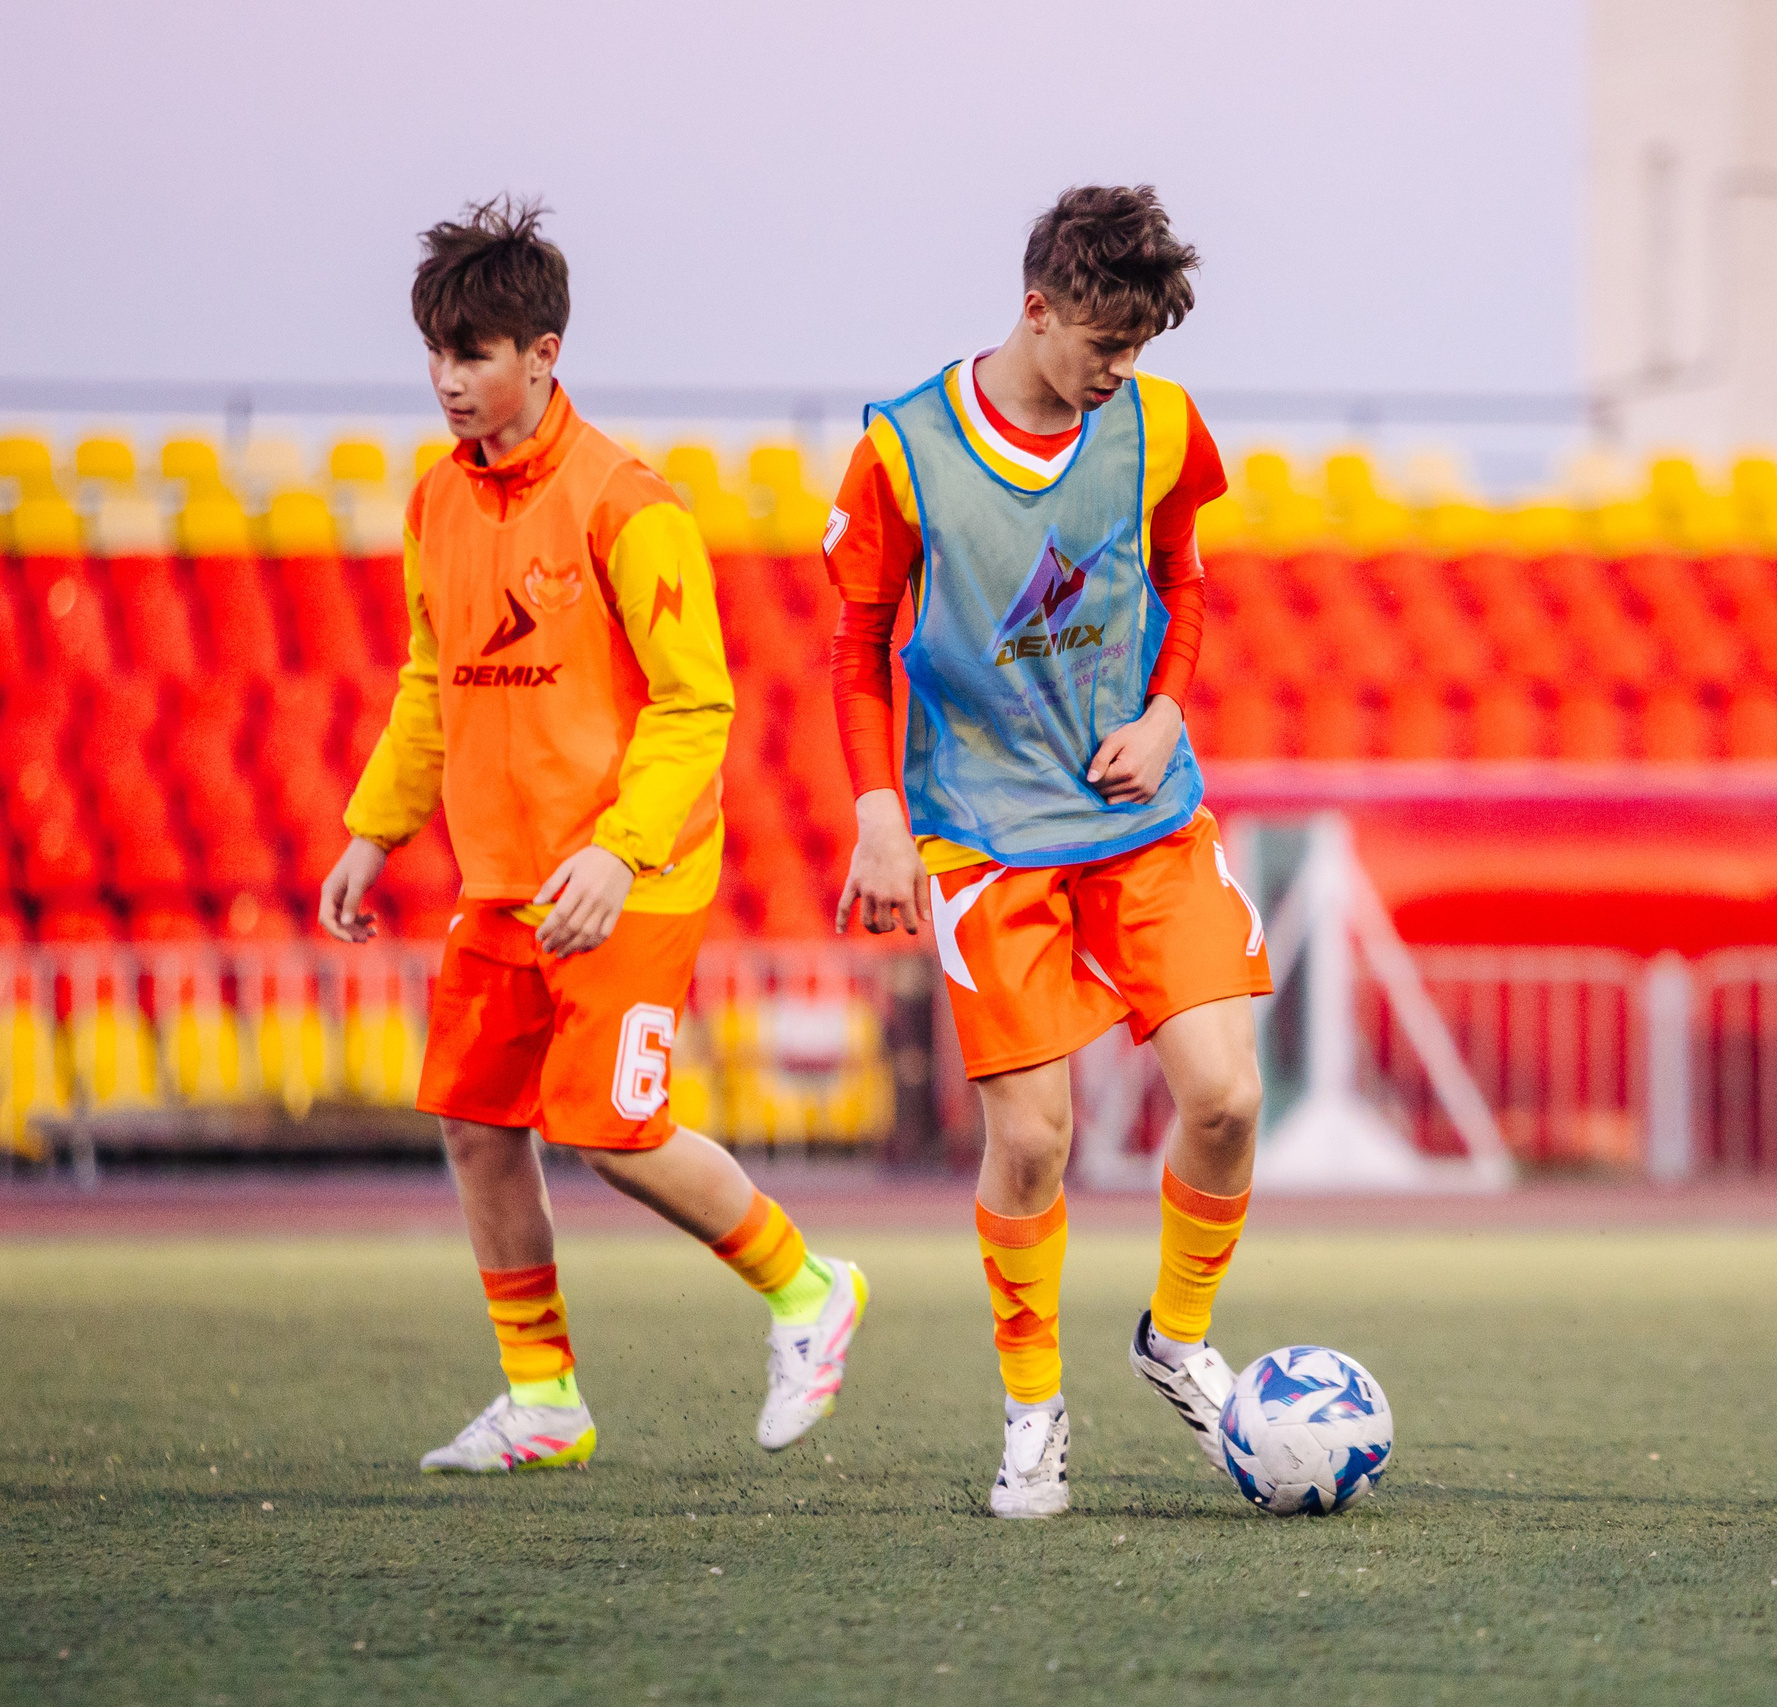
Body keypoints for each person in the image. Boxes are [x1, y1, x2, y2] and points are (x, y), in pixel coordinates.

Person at [319, 198, 867, 1475]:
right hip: (502, 883)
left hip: (634, 876)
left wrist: (619, 850)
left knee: (611, 1133)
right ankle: (544, 1398)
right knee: (472, 1120)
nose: (452, 382)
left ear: (544, 353)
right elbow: (426, 683)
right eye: (439, 355)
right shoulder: (431, 508)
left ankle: (808, 1288)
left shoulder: (628, 502)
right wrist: (373, 832)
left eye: (478, 354)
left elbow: (699, 704)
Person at [826, 184, 1270, 1518]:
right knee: (1035, 1138)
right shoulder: (904, 450)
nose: (1116, 376)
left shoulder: (1162, 425)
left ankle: (1177, 1336)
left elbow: (1184, 574)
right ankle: (1033, 1409)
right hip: (982, 833)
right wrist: (876, 813)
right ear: (1038, 307)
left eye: (1136, 353)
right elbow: (854, 648)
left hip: (1142, 814)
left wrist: (1167, 707)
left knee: (1230, 1097)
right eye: (1100, 348)